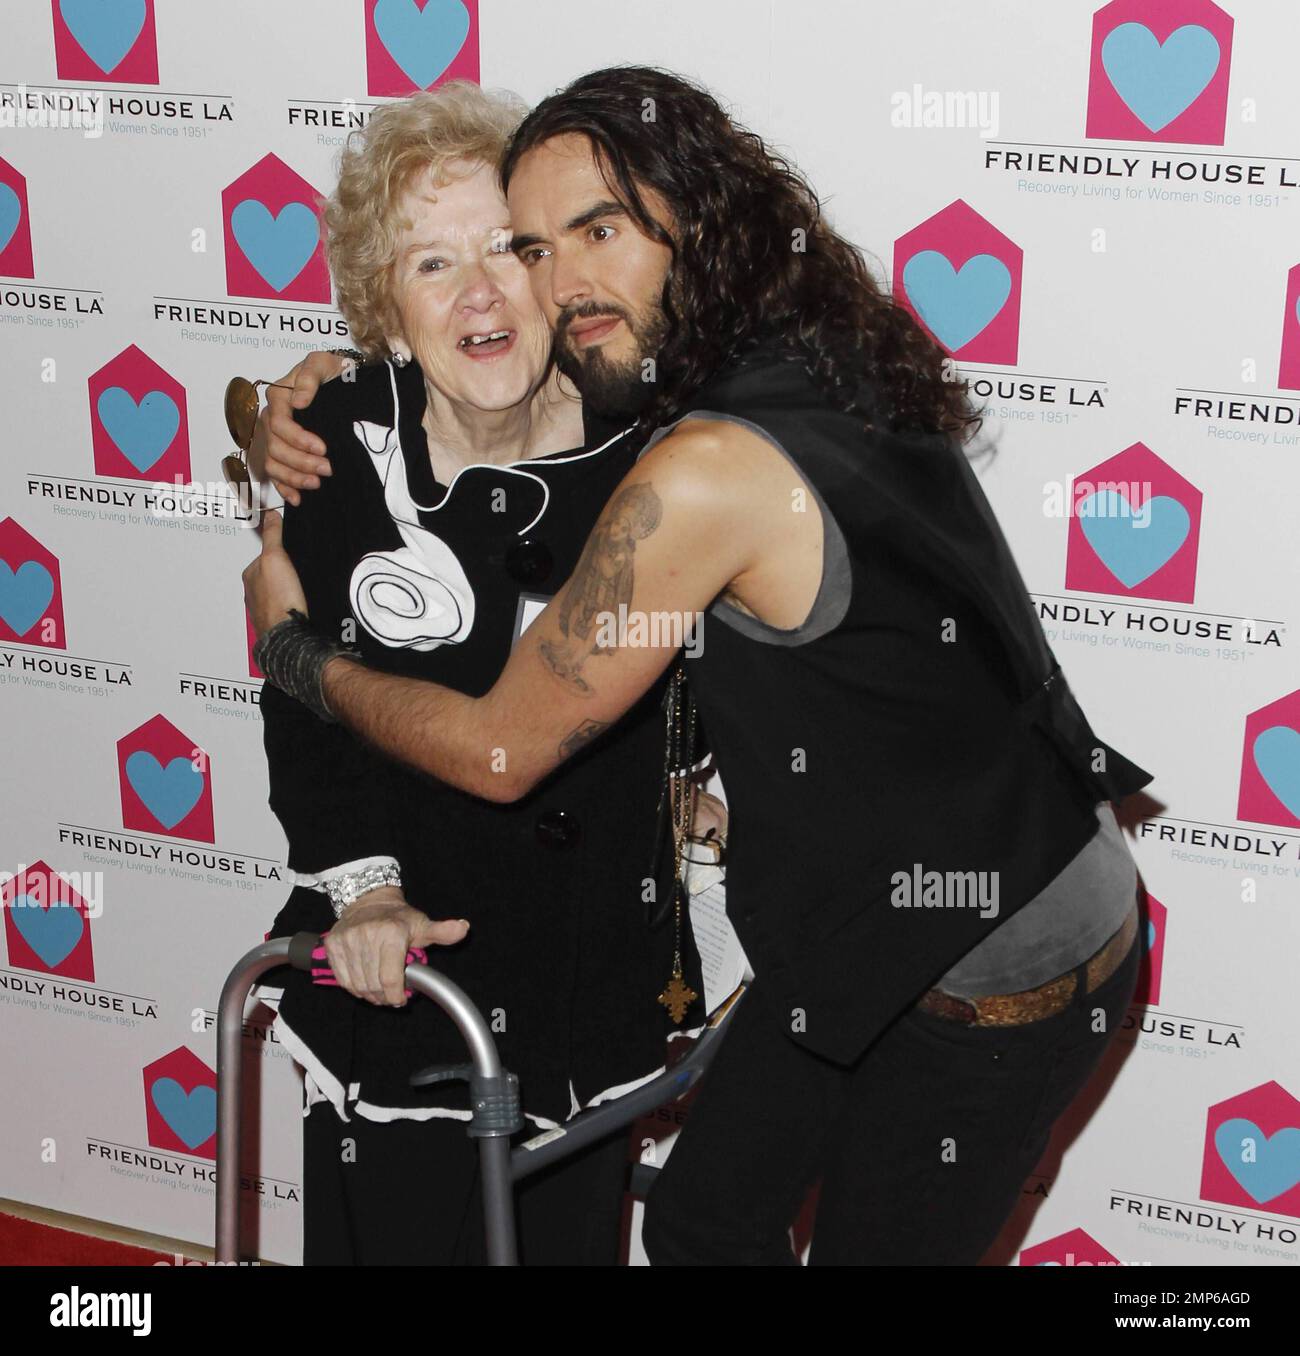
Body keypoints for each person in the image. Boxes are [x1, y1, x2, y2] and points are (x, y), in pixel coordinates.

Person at [245, 66, 1154, 1266]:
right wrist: (281, 399)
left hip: (995, 961)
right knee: (700, 1222)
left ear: (697, 221)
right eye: (539, 245)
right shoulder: (780, 338)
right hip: (870, 912)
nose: (559, 281)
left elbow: (503, 748)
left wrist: (291, 651)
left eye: (598, 232)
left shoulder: (692, 466)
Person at [246, 81, 709, 1267]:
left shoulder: (657, 444)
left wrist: (704, 786)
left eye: (507, 249)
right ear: (385, 314)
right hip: (407, 977)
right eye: (430, 264)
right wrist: (363, 895)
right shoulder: (337, 445)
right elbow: (308, 707)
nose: (481, 292)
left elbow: (707, 657)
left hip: (595, 969)